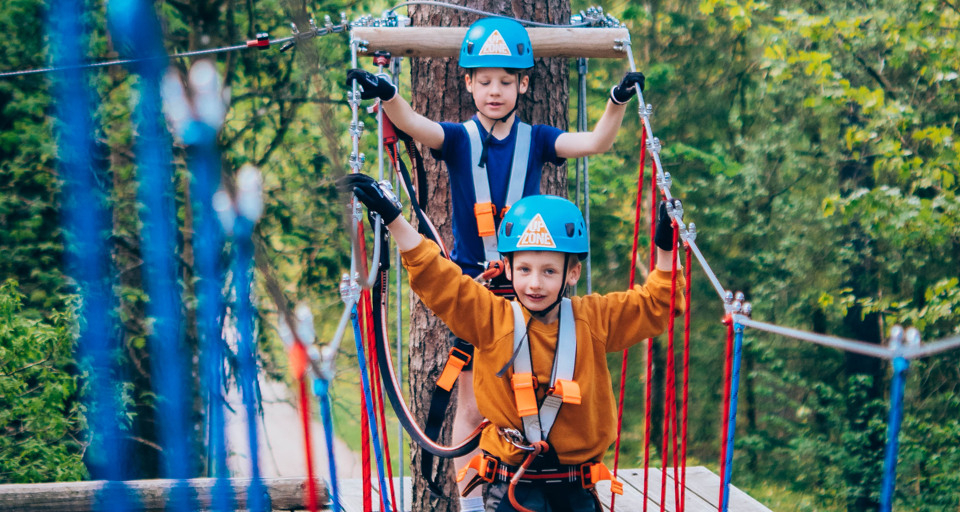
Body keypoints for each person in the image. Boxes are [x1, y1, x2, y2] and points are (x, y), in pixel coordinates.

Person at [347, 17, 646, 509]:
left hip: (532, 286)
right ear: (467, 83)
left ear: (523, 86)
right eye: (484, 81)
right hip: (480, 292)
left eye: (506, 82)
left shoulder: (538, 139)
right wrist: (388, 94)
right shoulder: (458, 139)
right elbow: (414, 125)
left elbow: (595, 143)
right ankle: (472, 504)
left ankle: (558, 479)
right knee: (472, 405)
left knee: (546, 387)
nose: (494, 91)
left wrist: (616, 102)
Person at [345, 172, 684, 512]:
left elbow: (657, 305)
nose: (535, 283)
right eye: (524, 269)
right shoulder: (491, 319)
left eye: (549, 271)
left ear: (572, 273)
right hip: (512, 490)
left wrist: (666, 248)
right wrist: (395, 220)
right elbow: (440, 280)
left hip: (576, 492)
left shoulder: (594, 320)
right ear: (507, 269)